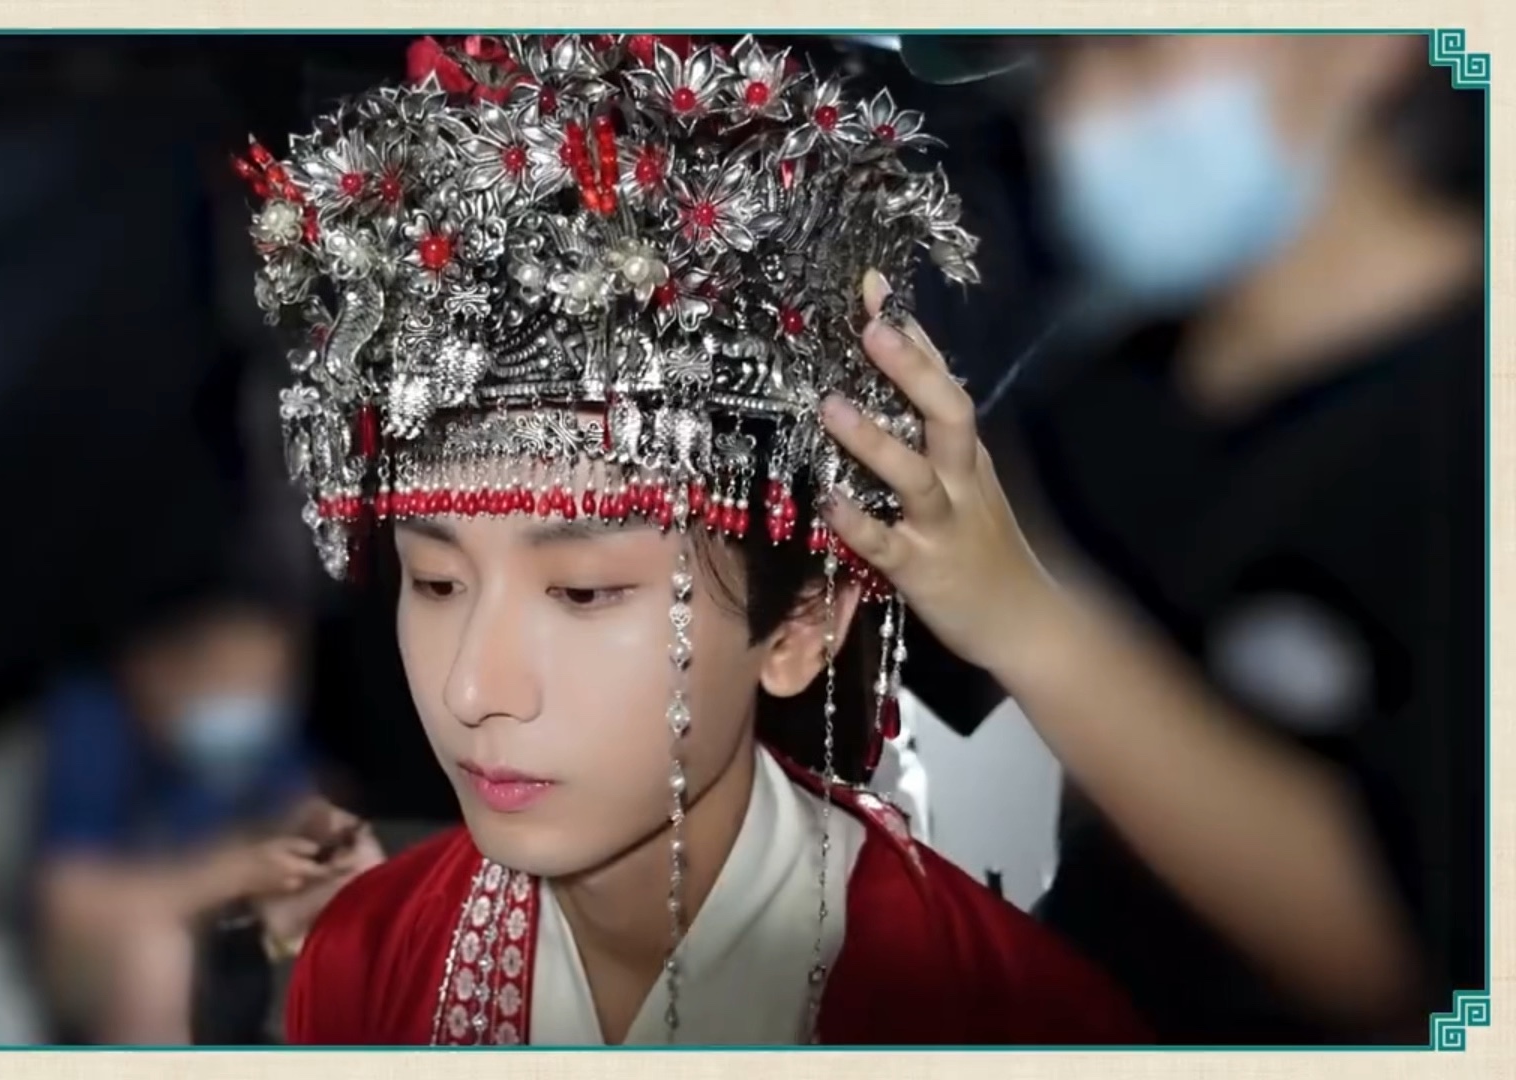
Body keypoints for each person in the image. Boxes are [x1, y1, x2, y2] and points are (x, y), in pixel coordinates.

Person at [235, 34, 1149, 1046]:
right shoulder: (363, 962)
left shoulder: (1009, 1024)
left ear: (801, 627)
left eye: (583, 592)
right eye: (438, 581)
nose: (473, 689)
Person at [859, 34, 1484, 1043]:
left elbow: (1425, 976)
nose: (1086, 120)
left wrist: (1029, 616)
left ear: (1372, 42)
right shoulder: (1100, 405)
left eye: (1140, 56)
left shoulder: (1460, 425)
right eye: (1062, 67)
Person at [33, 591, 384, 1043]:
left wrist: (323, 827)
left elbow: (292, 799)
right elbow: (70, 903)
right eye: (228, 681)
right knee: (156, 953)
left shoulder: (259, 731)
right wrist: (229, 874)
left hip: (225, 933)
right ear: (155, 671)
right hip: (101, 951)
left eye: (269, 683)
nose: (251, 703)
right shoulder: (94, 724)